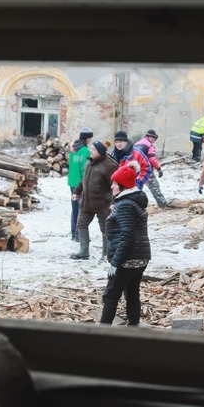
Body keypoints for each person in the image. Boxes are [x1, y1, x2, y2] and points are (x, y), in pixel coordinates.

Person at [100, 161, 152, 326]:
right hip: (140, 256)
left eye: (115, 184)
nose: (112, 187)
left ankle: (101, 332)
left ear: (122, 186)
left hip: (127, 258)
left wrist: (115, 262)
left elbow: (127, 235)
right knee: (131, 293)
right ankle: (134, 327)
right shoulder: (133, 201)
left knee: (110, 295)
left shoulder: (125, 205)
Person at [71, 140, 117, 260]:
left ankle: (106, 253)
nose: (90, 151)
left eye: (93, 150)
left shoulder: (109, 165)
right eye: (91, 149)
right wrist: (77, 191)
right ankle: (84, 251)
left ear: (100, 152)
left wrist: (113, 202)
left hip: (103, 204)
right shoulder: (89, 162)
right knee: (81, 224)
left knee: (105, 228)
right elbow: (84, 179)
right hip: (87, 201)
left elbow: (116, 185)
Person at [67, 128, 94, 242]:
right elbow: (85, 169)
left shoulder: (73, 149)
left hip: (72, 181)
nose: (90, 140)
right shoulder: (85, 151)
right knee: (81, 209)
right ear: (86, 138)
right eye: (90, 138)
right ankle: (79, 234)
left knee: (75, 209)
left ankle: (74, 233)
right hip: (80, 183)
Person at [132, 129, 171, 208]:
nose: (153, 140)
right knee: (154, 187)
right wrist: (158, 168)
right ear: (149, 137)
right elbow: (152, 159)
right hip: (145, 169)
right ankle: (163, 204)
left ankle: (134, 204)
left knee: (136, 188)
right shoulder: (150, 146)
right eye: (153, 138)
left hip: (135, 169)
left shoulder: (136, 144)